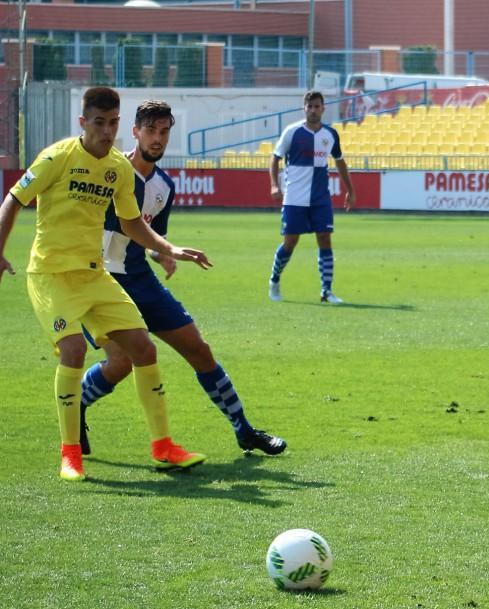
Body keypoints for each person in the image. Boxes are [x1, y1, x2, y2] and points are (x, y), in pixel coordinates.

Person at [0, 87, 210, 481]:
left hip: (95, 275)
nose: (107, 131)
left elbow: (131, 224)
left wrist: (168, 248)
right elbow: (13, 199)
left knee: (143, 349)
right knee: (74, 350)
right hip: (51, 275)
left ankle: (163, 447)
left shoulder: (118, 168)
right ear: (83, 122)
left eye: (113, 123)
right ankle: (70, 453)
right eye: (99, 122)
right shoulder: (57, 157)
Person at [78, 100, 287, 457]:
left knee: (199, 350)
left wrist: (162, 255)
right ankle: (75, 408)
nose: (157, 139)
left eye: (164, 132)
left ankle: (244, 429)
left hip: (140, 278)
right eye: (150, 130)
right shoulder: (110, 170)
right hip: (99, 281)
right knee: (122, 362)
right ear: (135, 132)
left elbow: (149, 236)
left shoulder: (164, 186)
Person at [268, 90, 356, 304]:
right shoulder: (292, 132)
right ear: (304, 108)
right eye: (310, 106)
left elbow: (340, 161)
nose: (313, 110)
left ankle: (327, 290)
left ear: (323, 108)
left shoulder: (330, 134)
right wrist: (274, 185)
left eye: (317, 106)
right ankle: (274, 280)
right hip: (294, 197)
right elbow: (275, 158)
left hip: (320, 198)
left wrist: (350, 190)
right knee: (290, 242)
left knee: (325, 238)